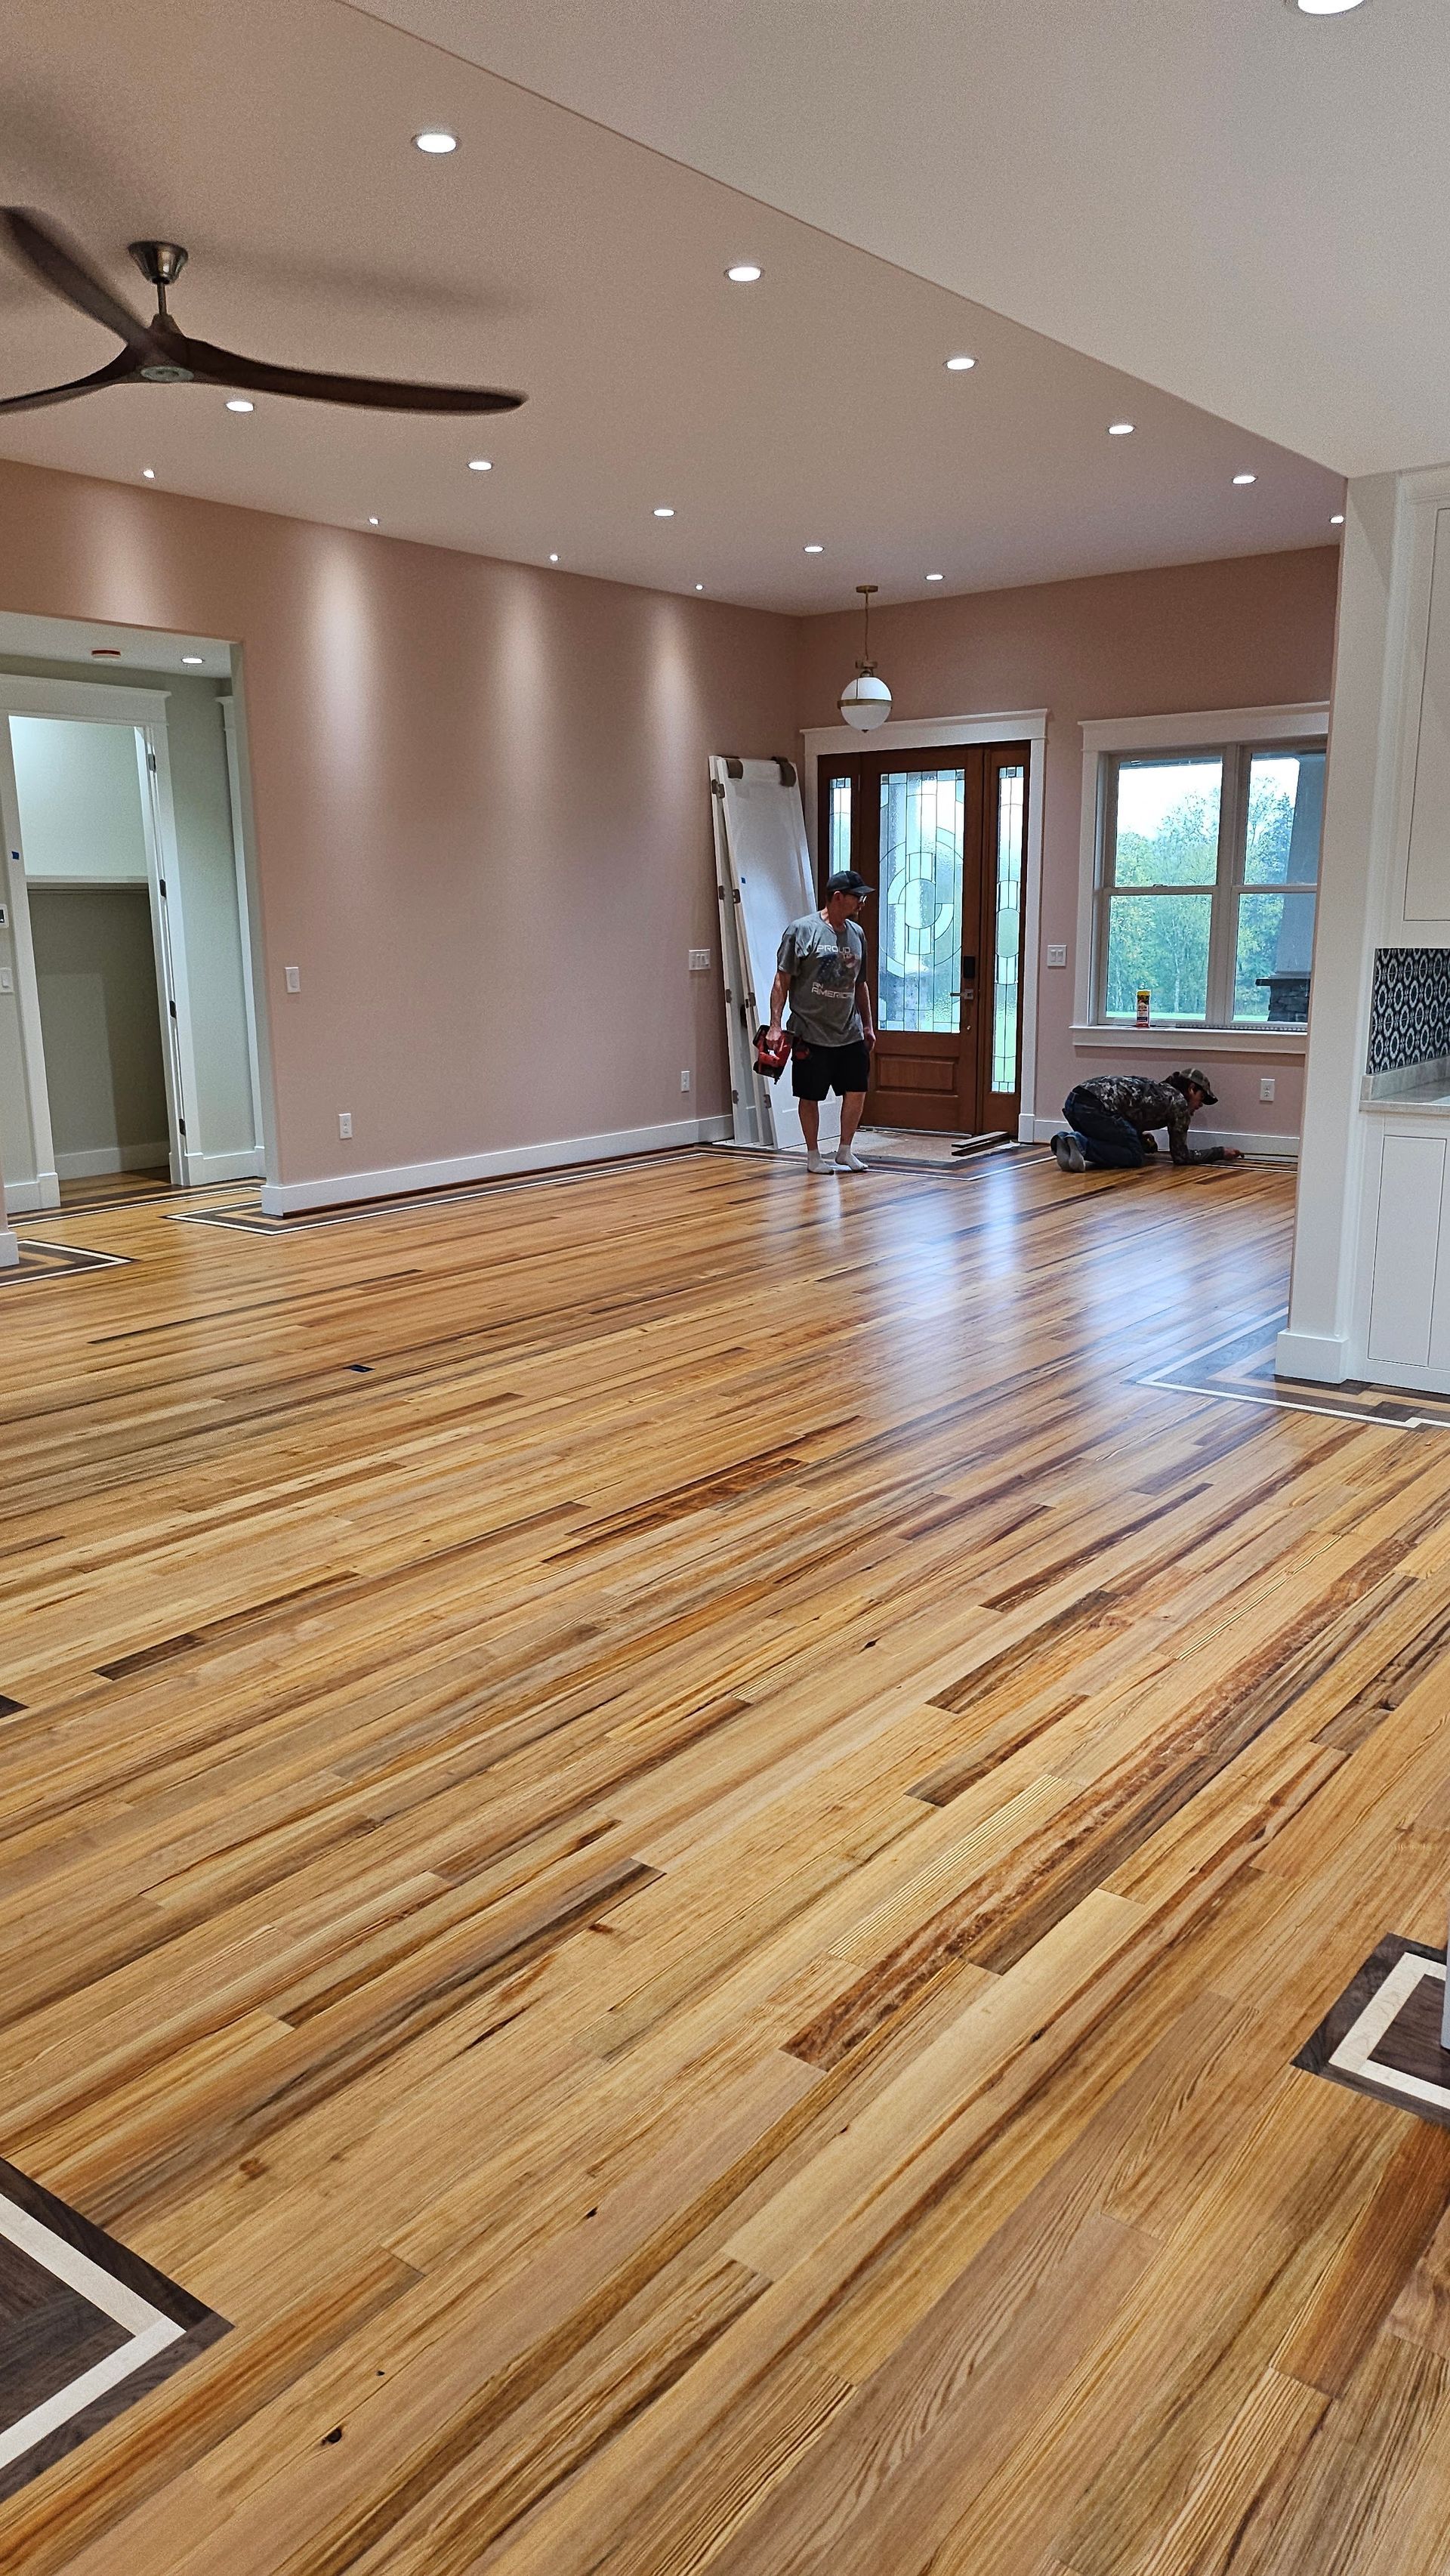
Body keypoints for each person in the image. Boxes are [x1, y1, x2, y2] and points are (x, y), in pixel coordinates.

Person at [767, 869, 878, 1174]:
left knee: (857, 1088)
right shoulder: (801, 931)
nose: (862, 903)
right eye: (858, 897)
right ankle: (813, 1155)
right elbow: (782, 980)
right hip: (810, 1031)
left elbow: (860, 984)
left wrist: (867, 1025)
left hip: (849, 1030)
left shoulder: (857, 934)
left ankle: (844, 1151)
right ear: (838, 897)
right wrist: (775, 1025)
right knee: (810, 1094)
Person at [1052, 1068, 1242, 1172]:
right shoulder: (1178, 1103)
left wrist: (1140, 1138)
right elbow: (1181, 1157)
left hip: (1074, 1102)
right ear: (1191, 1089)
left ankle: (1067, 1142)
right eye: (1202, 1098)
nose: (1200, 1106)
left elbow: (1127, 1117)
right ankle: (1081, 1144)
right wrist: (1220, 1152)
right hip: (1097, 1108)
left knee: (1127, 1144)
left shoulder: (1159, 1091)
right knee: (1134, 1156)